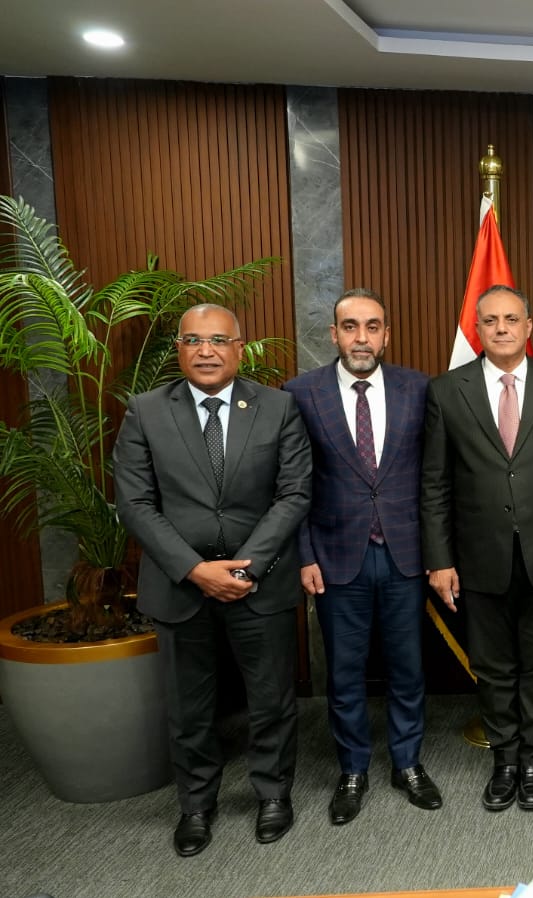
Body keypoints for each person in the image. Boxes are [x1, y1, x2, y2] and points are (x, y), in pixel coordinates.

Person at [113, 303, 312, 857]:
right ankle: (196, 805)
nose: (206, 351)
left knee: (272, 701)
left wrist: (246, 567)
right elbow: (135, 503)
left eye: (219, 340)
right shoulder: (146, 411)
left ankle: (273, 794)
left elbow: (294, 493)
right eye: (194, 341)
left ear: (239, 348)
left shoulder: (278, 407)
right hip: (180, 585)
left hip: (259, 583)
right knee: (189, 708)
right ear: (178, 349)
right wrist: (196, 570)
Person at [420, 285, 533, 813]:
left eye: (511, 319)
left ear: (528, 327)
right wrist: (439, 559)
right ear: (477, 328)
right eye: (491, 320)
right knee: (493, 666)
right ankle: (504, 760)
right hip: (477, 556)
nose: (501, 328)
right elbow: (434, 484)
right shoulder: (445, 391)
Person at [283, 288, 440, 826]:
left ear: (386, 334)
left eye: (372, 327)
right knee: (344, 674)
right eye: (350, 327)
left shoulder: (418, 388)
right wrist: (304, 555)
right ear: (334, 334)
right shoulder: (300, 394)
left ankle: (407, 763)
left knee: (408, 668)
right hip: (335, 557)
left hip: (405, 555)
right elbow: (293, 486)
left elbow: (434, 479)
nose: (361, 338)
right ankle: (352, 769)